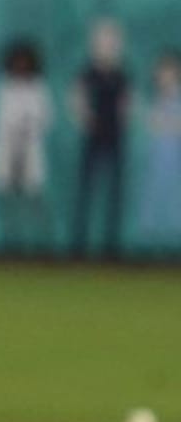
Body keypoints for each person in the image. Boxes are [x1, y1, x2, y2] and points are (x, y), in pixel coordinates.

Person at [69, 18, 130, 261]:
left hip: (115, 137)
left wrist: (123, 122)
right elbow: (77, 99)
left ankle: (110, 245)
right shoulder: (87, 73)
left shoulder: (121, 75)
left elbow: (126, 104)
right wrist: (85, 118)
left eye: (110, 41)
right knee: (86, 190)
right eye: (102, 41)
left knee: (115, 192)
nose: (106, 46)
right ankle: (79, 243)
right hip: (93, 137)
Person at [0, 39, 52, 251]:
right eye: (17, 62)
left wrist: (28, 127)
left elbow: (45, 118)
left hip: (30, 147)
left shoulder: (39, 88)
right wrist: (13, 131)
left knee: (33, 198)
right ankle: (9, 242)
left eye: (25, 62)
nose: (21, 66)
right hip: (8, 148)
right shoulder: (4, 88)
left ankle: (39, 242)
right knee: (6, 198)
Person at [133, 52, 181, 244]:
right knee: (152, 193)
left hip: (174, 157)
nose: (163, 76)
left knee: (175, 195)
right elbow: (150, 123)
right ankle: (150, 232)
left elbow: (172, 125)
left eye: (169, 72)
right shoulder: (156, 98)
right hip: (155, 157)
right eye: (161, 72)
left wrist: (163, 123)